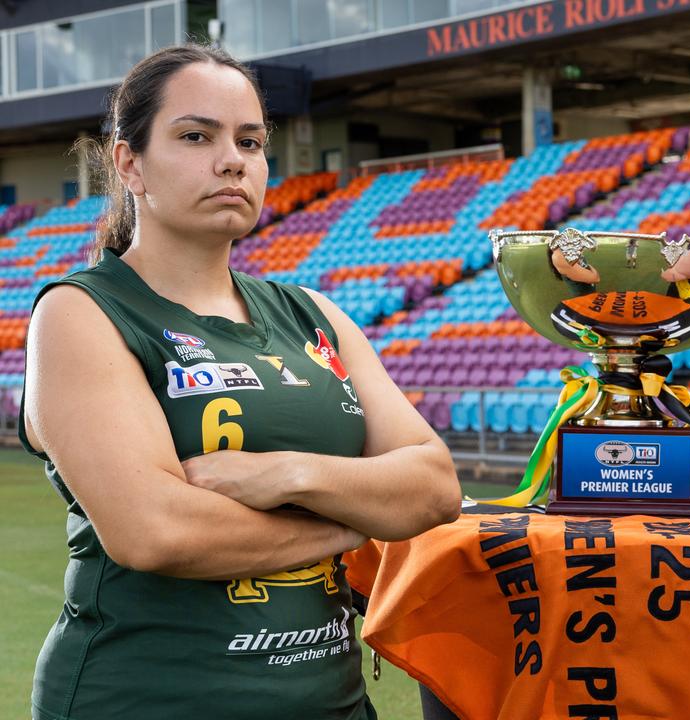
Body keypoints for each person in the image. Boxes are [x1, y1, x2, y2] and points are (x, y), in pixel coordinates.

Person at [21, 44, 461, 719]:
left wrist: (288, 475)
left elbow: (434, 486)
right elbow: (156, 533)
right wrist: (356, 522)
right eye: (196, 136)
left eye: (250, 141)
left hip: (333, 705)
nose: (232, 159)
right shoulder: (80, 313)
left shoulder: (314, 315)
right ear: (129, 163)